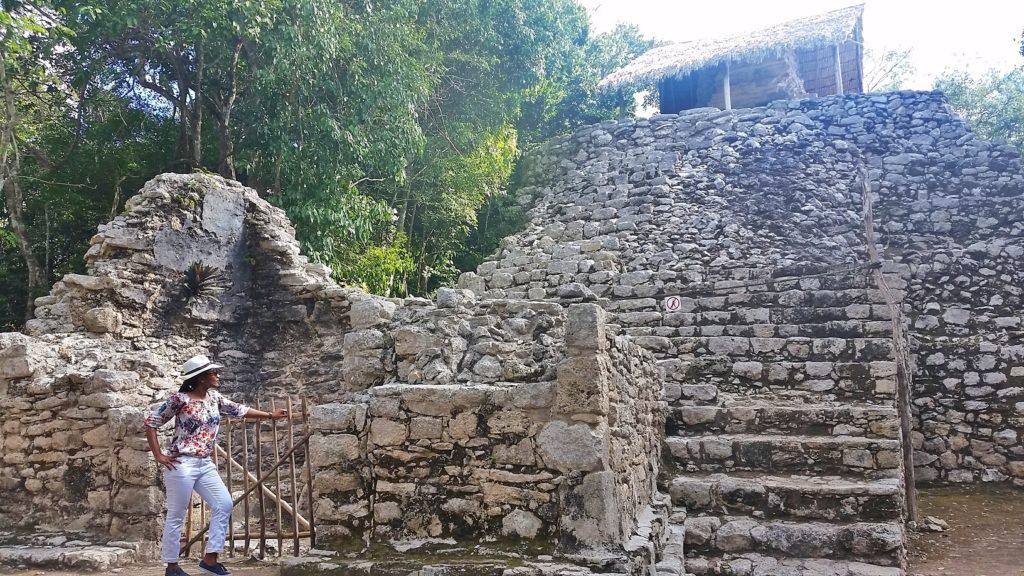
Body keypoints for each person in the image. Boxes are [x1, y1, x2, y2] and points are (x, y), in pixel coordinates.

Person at [144, 354, 288, 576]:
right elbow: (151, 423)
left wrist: (270, 415)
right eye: (213, 373)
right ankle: (172, 567)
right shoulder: (180, 400)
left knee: (224, 503)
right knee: (176, 514)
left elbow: (239, 409)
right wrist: (159, 456)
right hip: (182, 463)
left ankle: (210, 560)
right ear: (201, 378)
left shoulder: (214, 398)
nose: (217, 375)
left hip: (205, 463)